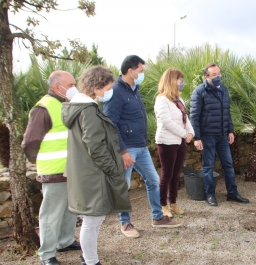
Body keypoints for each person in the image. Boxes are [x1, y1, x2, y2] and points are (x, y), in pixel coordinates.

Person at [103, 55, 183, 238]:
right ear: (130, 71)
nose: (143, 74)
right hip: (126, 148)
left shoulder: (134, 89)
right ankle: (126, 223)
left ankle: (158, 217)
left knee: (153, 181)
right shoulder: (115, 92)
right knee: (124, 186)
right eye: (140, 71)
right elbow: (110, 124)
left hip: (141, 146)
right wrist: (122, 151)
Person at [62, 66, 131, 265]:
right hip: (93, 174)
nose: (109, 91)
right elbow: (95, 145)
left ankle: (88, 258)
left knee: (93, 219)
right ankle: (91, 261)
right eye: (108, 87)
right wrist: (113, 168)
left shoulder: (80, 108)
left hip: (86, 172)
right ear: (97, 87)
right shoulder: (88, 110)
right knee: (92, 220)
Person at [21, 71, 80, 265]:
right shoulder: (43, 108)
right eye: (70, 84)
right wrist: (35, 160)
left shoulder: (65, 103)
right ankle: (46, 254)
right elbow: (30, 141)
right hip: (54, 170)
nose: (74, 87)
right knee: (51, 214)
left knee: (71, 209)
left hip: (70, 169)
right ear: (57, 87)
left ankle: (65, 241)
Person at [190, 63, 249, 206]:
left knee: (228, 165)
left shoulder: (223, 90)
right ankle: (210, 195)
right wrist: (197, 137)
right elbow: (194, 116)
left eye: (219, 74)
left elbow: (226, 112)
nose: (218, 77)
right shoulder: (199, 92)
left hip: (222, 135)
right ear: (207, 76)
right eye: (214, 75)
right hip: (207, 135)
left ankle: (232, 193)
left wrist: (230, 130)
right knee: (208, 166)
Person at [154, 68, 194, 217]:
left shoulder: (178, 100)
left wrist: (190, 132)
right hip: (166, 142)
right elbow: (167, 122)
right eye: (179, 79)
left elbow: (185, 118)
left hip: (180, 142)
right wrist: (185, 134)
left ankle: (174, 203)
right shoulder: (161, 100)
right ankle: (163, 206)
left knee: (176, 175)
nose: (181, 82)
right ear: (171, 80)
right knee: (167, 175)